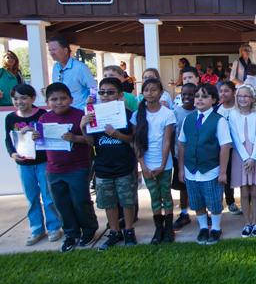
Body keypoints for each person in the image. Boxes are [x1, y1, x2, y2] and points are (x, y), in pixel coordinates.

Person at [34, 83, 99, 252]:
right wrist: (34, 137)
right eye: (54, 99)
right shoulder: (44, 119)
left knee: (80, 201)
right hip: (54, 169)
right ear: (47, 102)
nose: (59, 102)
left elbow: (91, 141)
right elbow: (40, 143)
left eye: (63, 98)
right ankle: (71, 233)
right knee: (61, 203)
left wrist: (74, 138)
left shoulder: (79, 116)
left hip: (78, 167)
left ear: (71, 99)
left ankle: (89, 229)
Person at [79, 77, 137, 250]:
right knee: (109, 202)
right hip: (103, 167)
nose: (105, 96)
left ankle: (128, 230)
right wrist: (83, 127)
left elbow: (133, 140)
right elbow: (91, 142)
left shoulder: (127, 115)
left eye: (110, 92)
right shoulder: (93, 115)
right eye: (102, 92)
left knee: (127, 201)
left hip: (124, 165)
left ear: (119, 95)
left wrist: (117, 134)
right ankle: (114, 231)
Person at [5, 84, 62, 245]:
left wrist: (36, 133)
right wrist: (12, 154)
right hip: (23, 163)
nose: (19, 101)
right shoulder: (11, 118)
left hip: (43, 162)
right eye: (15, 98)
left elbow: (50, 136)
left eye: (23, 97)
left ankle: (53, 227)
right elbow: (8, 139)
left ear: (33, 98)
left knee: (48, 196)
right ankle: (37, 229)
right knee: (31, 198)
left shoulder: (42, 114)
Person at [177, 84, 232, 245]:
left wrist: (223, 172)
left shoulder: (219, 121)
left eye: (205, 96)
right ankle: (202, 227)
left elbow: (225, 146)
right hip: (191, 170)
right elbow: (182, 144)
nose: (199, 99)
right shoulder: (189, 119)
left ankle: (215, 228)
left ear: (213, 100)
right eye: (197, 96)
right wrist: (181, 168)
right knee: (196, 201)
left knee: (214, 201)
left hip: (210, 169)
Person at [132, 78, 177, 244]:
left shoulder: (168, 114)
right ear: (142, 93)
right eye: (146, 90)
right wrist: (143, 165)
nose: (150, 93)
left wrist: (162, 164)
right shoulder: (138, 115)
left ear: (160, 92)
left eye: (154, 90)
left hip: (164, 164)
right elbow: (137, 142)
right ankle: (158, 228)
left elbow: (167, 141)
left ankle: (169, 228)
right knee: (154, 196)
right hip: (147, 164)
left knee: (166, 194)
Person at [229, 85, 256, 237]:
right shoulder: (233, 114)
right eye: (240, 96)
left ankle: (255, 223)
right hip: (240, 156)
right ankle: (247, 223)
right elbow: (235, 138)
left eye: (246, 96)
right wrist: (246, 157)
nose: (242, 99)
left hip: (255, 155)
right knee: (244, 192)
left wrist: (253, 158)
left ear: (252, 98)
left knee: (255, 192)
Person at [171, 83, 197, 230]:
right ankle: (184, 213)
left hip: (197, 156)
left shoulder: (200, 112)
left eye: (191, 94)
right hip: (179, 156)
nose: (187, 97)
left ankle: (203, 211)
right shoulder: (176, 112)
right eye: (184, 94)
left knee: (199, 185)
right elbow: (171, 134)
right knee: (183, 187)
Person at [48, 36, 97, 109]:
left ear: (65, 50)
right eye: (50, 50)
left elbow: (94, 89)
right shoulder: (55, 67)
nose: (51, 53)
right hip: (61, 112)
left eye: (54, 49)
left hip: (80, 113)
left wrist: (89, 107)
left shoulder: (80, 67)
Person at [216, 81, 242, 215]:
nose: (223, 93)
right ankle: (230, 201)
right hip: (223, 149)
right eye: (221, 91)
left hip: (239, 148)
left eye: (226, 90)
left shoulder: (240, 109)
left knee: (241, 174)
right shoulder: (216, 110)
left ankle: (245, 200)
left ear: (234, 92)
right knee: (226, 174)